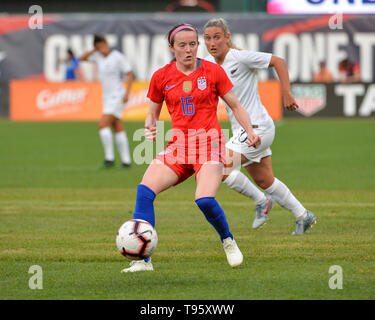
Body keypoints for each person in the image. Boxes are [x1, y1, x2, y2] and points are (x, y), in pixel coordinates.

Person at [121, 23, 261, 273]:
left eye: (193, 44)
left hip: (210, 145)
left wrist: (249, 131)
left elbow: (237, 106)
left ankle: (228, 240)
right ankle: (143, 261)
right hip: (178, 147)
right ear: (171, 47)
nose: (189, 49)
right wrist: (150, 127)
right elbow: (152, 114)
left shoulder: (213, 71)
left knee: (204, 200)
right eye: (183, 45)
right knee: (144, 192)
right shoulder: (161, 76)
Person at [203, 17, 316, 235]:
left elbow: (278, 61)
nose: (212, 42)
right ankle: (303, 215)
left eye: (217, 37)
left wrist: (286, 92)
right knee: (265, 179)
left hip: (257, 128)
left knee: (220, 167)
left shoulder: (240, 57)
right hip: (242, 130)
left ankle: (261, 201)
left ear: (227, 38)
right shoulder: (208, 64)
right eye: (207, 38)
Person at [80, 34, 134, 168]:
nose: (102, 49)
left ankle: (109, 159)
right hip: (107, 97)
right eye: (99, 47)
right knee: (117, 127)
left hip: (117, 96)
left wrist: (127, 93)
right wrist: (95, 50)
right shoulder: (98, 57)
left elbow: (129, 74)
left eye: (103, 45)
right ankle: (126, 161)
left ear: (107, 43)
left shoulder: (117, 57)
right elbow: (81, 58)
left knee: (102, 125)